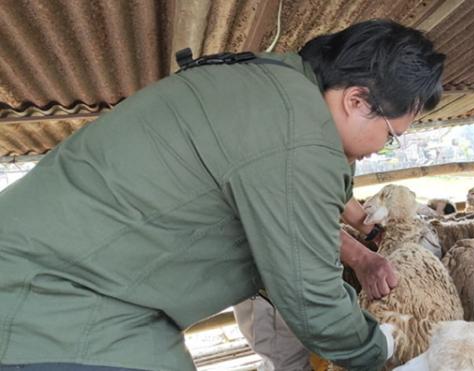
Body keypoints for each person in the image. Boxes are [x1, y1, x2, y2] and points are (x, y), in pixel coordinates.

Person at [0, 19, 444, 371]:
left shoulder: (271, 89)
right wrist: (385, 349)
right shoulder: (299, 136)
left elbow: (291, 228)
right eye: (390, 136)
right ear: (357, 101)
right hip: (56, 305)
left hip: (63, 287)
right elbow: (314, 303)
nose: (381, 150)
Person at [234, 196, 393, 371]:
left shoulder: (320, 172)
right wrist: (361, 257)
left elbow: (335, 189)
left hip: (301, 273)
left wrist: (374, 232)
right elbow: (293, 215)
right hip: (269, 280)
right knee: (289, 360)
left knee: (318, 353)